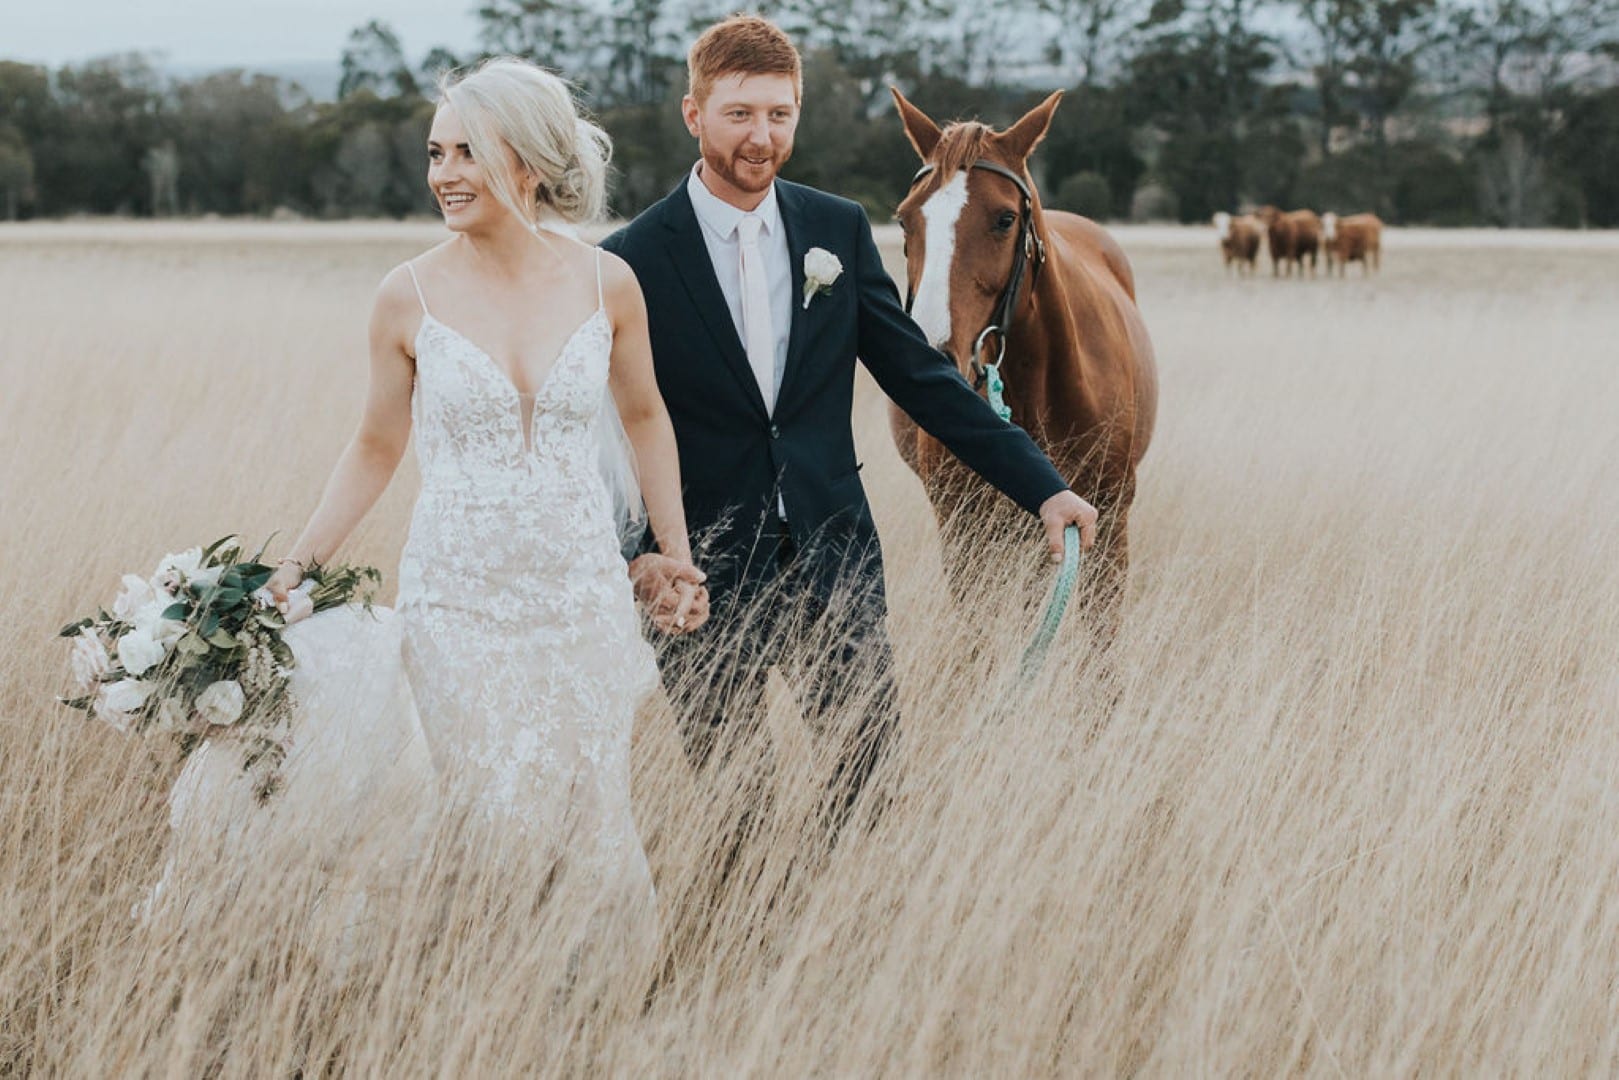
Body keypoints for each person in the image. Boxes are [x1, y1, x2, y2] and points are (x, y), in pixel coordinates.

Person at [603, 16, 1099, 834]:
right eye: (738, 114)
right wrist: (641, 558)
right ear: (693, 115)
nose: (761, 137)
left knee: (866, 801)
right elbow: (613, 438)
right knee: (738, 817)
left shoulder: (833, 230)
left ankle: (838, 956)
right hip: (699, 582)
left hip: (837, 570)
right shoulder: (629, 260)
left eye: (779, 114)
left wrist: (1042, 489)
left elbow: (926, 380)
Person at [252, 58, 703, 912]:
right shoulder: (405, 296)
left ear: (527, 162)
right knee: (481, 808)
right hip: (458, 595)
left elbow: (645, 418)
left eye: (466, 153)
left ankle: (578, 1008)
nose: (443, 176)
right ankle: (465, 995)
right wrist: (296, 568)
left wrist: (670, 556)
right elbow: (375, 446)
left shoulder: (606, 281)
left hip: (578, 591)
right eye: (435, 153)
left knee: (586, 808)